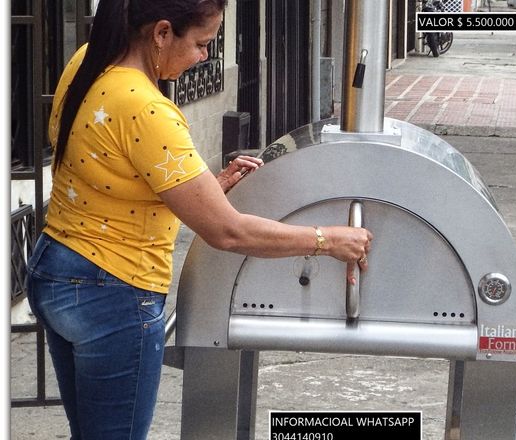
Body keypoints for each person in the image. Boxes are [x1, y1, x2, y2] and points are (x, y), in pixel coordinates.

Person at [26, 0, 373, 439]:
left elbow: (112, 171)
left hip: (56, 270)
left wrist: (203, 187)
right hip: (111, 293)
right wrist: (328, 240)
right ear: (162, 32)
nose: (204, 57)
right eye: (202, 44)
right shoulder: (146, 109)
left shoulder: (88, 62)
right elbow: (227, 231)